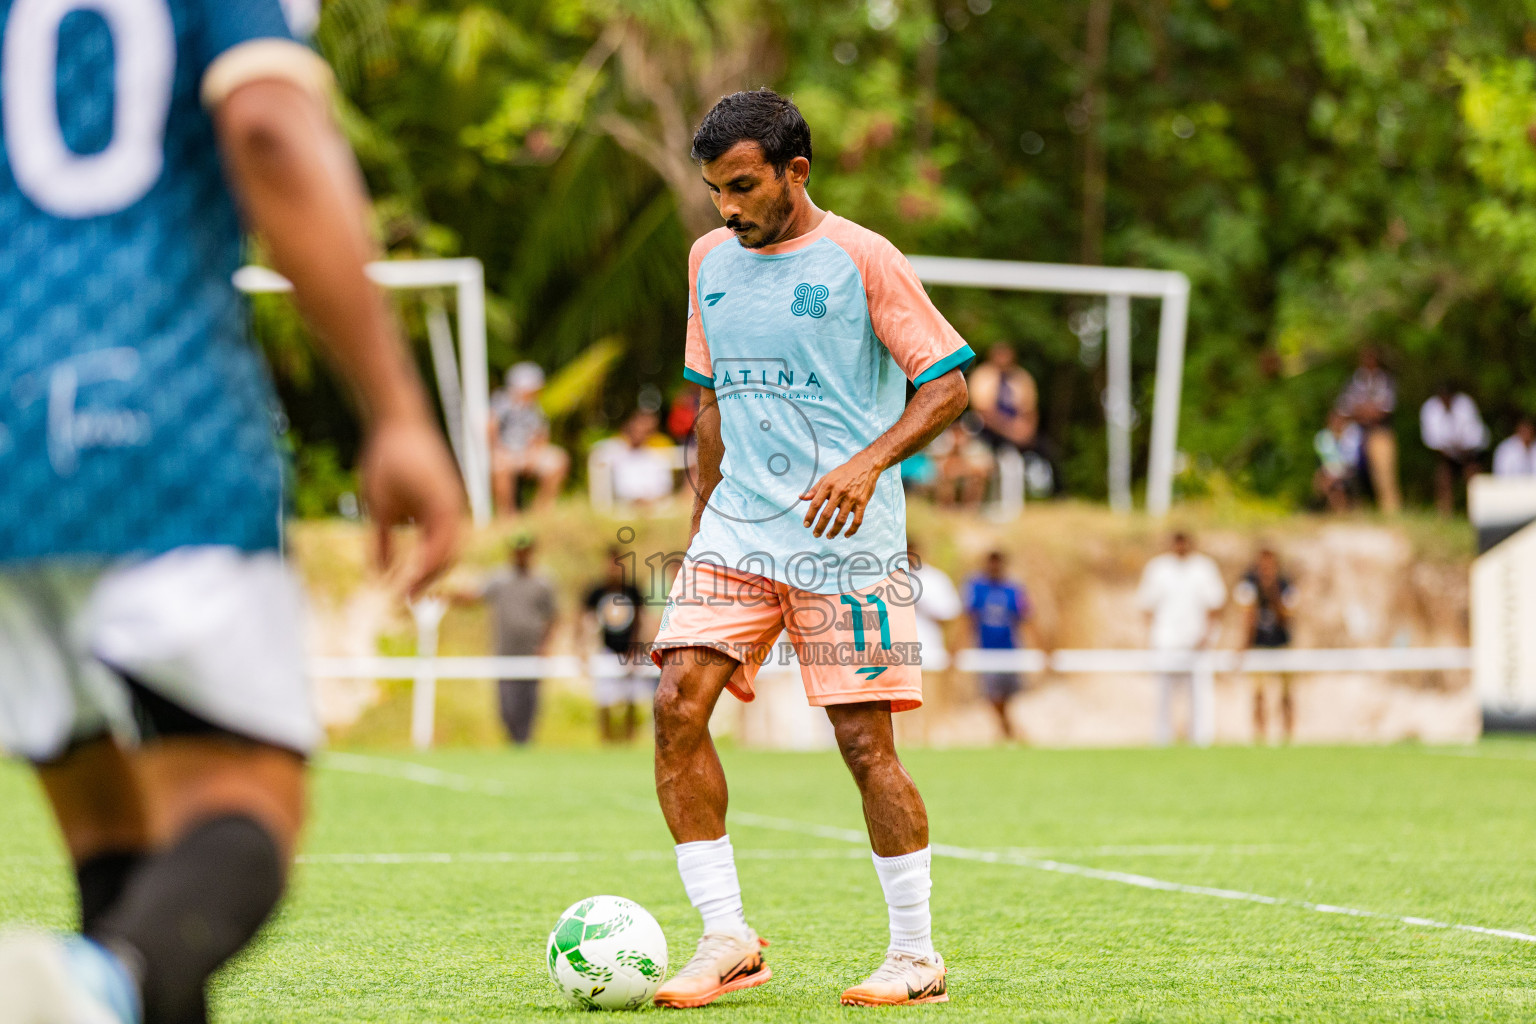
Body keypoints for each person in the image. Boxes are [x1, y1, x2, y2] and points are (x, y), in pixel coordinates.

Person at [0, 5, 465, 1021]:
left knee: (118, 854)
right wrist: (393, 410)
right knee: (243, 804)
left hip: (7, 446)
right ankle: (88, 984)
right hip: (155, 427)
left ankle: (97, 975)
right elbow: (265, 125)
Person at [648, 90, 973, 1008]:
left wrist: (868, 465)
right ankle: (727, 938)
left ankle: (915, 956)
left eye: (742, 186)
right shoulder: (708, 259)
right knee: (676, 703)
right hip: (737, 532)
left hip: (847, 541)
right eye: (715, 190)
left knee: (864, 744)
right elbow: (710, 399)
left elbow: (947, 388)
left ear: (796, 171)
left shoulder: (864, 258)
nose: (727, 208)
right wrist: (702, 520)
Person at [453, 534, 558, 745]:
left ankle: (524, 742)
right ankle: (513, 740)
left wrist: (545, 646)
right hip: (505, 652)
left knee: (529, 704)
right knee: (507, 705)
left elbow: (553, 617)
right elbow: (475, 597)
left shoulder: (543, 582)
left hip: (531, 653)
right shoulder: (499, 580)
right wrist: (451, 596)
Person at [1136, 532, 1227, 745]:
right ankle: (1162, 740)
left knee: (1200, 699)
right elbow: (1147, 605)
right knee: (1163, 698)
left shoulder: (1204, 568)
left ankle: (1201, 740)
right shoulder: (1158, 568)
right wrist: (1150, 636)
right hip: (1165, 642)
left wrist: (1207, 635)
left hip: (1197, 644)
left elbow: (1215, 605)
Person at [964, 551, 1047, 742]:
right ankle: (1009, 730)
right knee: (993, 696)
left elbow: (1027, 619)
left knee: (1009, 695)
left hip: (1010, 650)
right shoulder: (977, 588)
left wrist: (1042, 647)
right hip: (986, 651)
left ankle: (1008, 731)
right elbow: (968, 619)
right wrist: (956, 648)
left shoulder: (1013, 590)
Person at [585, 547, 651, 744]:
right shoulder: (597, 591)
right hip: (606, 650)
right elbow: (584, 621)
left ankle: (628, 740)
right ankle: (607, 741)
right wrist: (583, 648)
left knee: (631, 700)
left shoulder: (632, 590)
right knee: (604, 700)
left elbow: (641, 620)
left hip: (630, 651)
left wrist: (638, 648)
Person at [1234, 548, 1299, 743]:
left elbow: (1286, 617)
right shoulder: (1249, 585)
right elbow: (1247, 617)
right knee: (1258, 694)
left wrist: (1273, 593)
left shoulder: (1285, 585)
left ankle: (1287, 737)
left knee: (1286, 694)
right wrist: (1244, 645)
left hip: (1281, 644)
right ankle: (1260, 736)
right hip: (1259, 646)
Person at [488, 361, 569, 515]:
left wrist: (534, 453)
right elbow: (491, 427)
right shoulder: (502, 402)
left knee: (558, 460)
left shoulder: (535, 407)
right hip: (505, 452)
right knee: (500, 465)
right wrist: (498, 450)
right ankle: (507, 515)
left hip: (527, 453)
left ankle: (542, 511)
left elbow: (541, 434)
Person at [1337, 348, 1400, 513]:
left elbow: (1385, 409)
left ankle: (1390, 511)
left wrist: (1364, 411)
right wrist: (1367, 411)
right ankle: (1356, 509)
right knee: (1352, 472)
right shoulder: (1354, 380)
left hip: (1380, 432)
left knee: (1384, 474)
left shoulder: (1385, 380)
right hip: (1357, 433)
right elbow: (1345, 408)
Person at [1419, 385, 1488, 515]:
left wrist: (1463, 450)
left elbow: (1476, 434)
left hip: (1469, 454)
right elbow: (1431, 439)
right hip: (1446, 456)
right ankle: (1445, 513)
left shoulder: (1465, 404)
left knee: (1474, 478)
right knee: (1443, 476)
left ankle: (1478, 513)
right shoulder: (1431, 408)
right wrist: (1449, 450)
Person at [594, 409, 678, 509]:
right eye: (636, 429)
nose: (639, 433)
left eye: (645, 430)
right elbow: (597, 460)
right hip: (623, 507)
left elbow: (665, 487)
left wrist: (649, 500)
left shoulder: (655, 458)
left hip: (653, 507)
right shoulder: (615, 451)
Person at [906, 543, 962, 674]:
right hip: (893, 659)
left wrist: (953, 651)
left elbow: (953, 618)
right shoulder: (884, 579)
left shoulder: (934, 579)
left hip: (930, 656)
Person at [1313, 409, 1362, 512]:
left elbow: (1352, 461)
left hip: (1349, 471)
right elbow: (1324, 459)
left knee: (1332, 481)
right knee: (1326, 479)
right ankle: (1337, 509)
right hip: (1330, 471)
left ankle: (1336, 508)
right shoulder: (1322, 437)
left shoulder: (1352, 436)